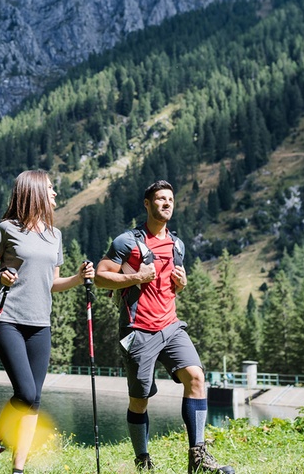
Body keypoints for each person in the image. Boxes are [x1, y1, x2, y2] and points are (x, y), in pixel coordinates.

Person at [94, 180, 234, 473]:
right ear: (147, 204)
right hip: (138, 331)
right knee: (140, 399)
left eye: (170, 199)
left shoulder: (177, 244)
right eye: (160, 199)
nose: (166, 203)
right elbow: (100, 276)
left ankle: (198, 458)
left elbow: (170, 287)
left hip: (171, 326)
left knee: (196, 377)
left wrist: (181, 286)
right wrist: (135, 277)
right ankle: (142, 459)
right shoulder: (127, 242)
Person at [0, 169, 94, 474]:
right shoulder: (7, 229)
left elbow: (52, 283)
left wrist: (79, 278)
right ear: (36, 193)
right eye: (51, 189)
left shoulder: (55, 235)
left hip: (41, 325)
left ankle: (17, 469)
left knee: (34, 401)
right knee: (25, 394)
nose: (55, 194)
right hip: (9, 320)